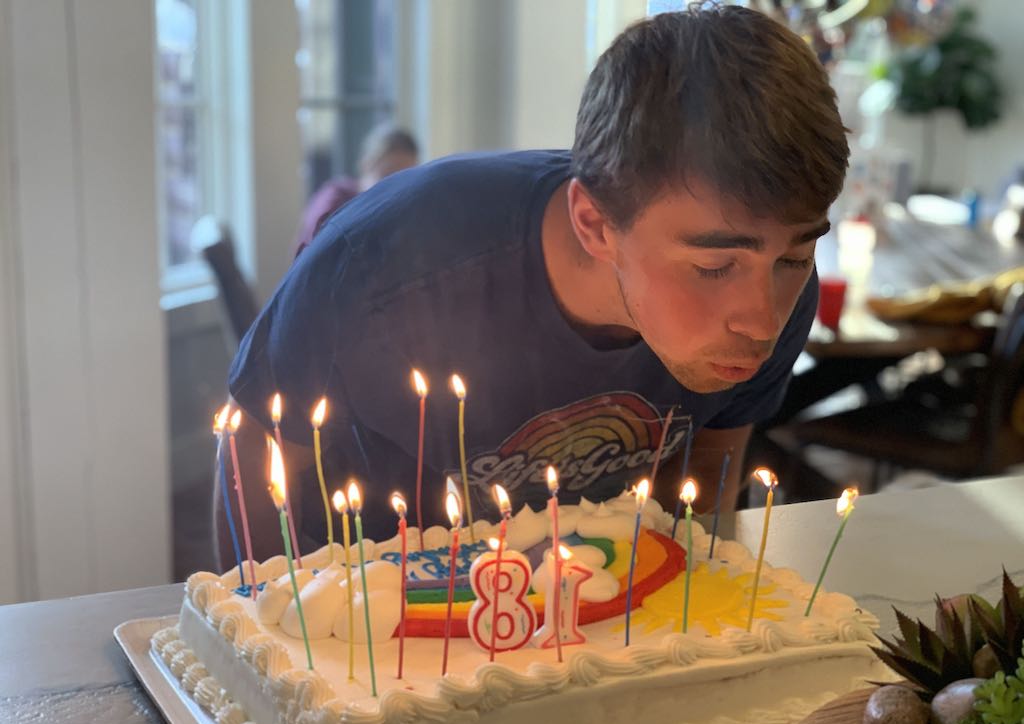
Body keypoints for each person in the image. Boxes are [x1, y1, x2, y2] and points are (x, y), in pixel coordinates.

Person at [216, 5, 848, 567]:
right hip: (373, 622)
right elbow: (253, 450)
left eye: (797, 254)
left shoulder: (771, 285)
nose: (763, 320)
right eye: (713, 267)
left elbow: (710, 467)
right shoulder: (383, 267)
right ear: (595, 223)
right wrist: (267, 633)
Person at [293, 123, 420, 256]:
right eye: (387, 176)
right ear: (367, 164)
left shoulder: (403, 214)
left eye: (406, 181)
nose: (396, 189)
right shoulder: (334, 201)